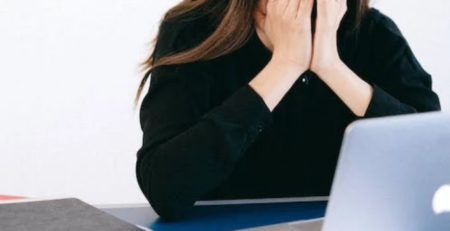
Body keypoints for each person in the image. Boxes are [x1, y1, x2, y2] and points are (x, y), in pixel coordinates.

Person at [134, 0, 441, 220]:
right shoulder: (192, 31)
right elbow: (165, 188)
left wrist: (330, 66)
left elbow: (432, 165)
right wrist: (285, 65)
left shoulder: (376, 33)